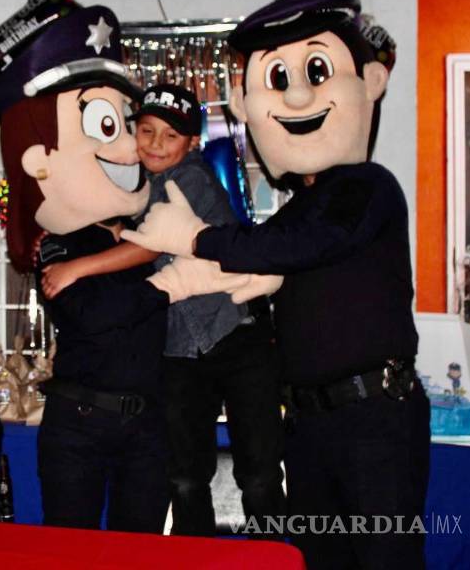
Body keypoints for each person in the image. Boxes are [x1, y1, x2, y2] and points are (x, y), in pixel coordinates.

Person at [122, 0, 430, 569]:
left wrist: (194, 237)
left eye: (315, 72)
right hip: (311, 425)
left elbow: (298, 246)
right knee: (317, 558)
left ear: (368, 83)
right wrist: (199, 275)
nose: (297, 96)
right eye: (278, 79)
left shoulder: (368, 186)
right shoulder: (299, 206)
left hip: (373, 419)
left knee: (385, 557)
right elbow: (267, 257)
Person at [0, 0, 259, 533]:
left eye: (131, 126)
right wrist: (172, 283)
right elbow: (94, 314)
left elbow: (188, 247)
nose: (136, 147)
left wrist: (174, 267)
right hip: (80, 421)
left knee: (142, 549)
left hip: (150, 420)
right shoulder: (60, 240)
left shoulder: (152, 210)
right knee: (73, 551)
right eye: (134, 129)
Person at [40, 83, 286, 537]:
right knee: (186, 478)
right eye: (147, 131)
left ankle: (273, 557)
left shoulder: (186, 177)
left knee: (259, 474)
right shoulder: (131, 192)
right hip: (178, 352)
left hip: (235, 335)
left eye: (170, 135)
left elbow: (153, 243)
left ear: (192, 143)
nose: (155, 144)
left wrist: (78, 266)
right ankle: (194, 560)